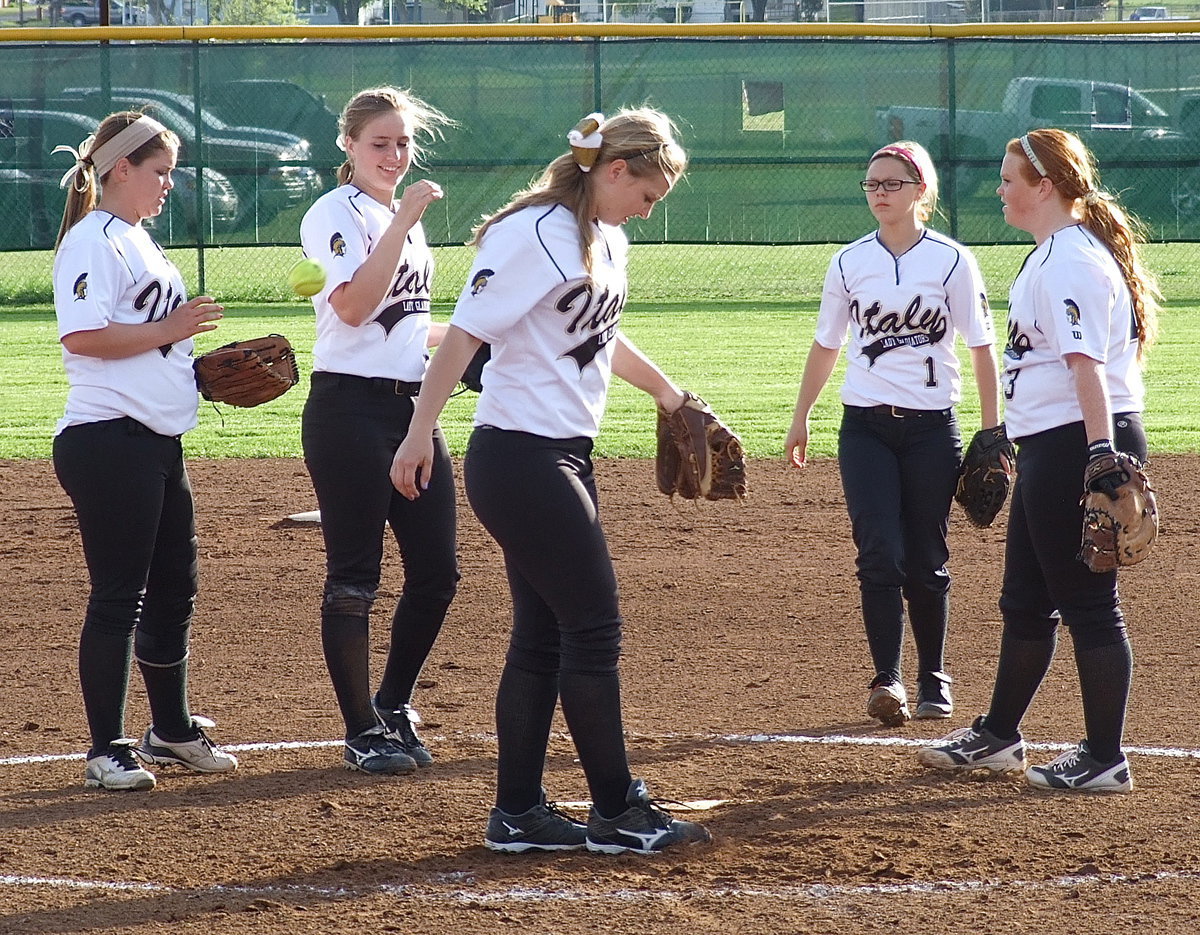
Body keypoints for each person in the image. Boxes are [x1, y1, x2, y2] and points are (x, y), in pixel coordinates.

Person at [389, 109, 712, 855]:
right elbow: (466, 335)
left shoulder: (606, 237)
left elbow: (601, 332)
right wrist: (415, 436)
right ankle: (615, 810)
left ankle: (518, 813)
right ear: (614, 170)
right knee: (593, 626)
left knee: (541, 636)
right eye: (648, 193)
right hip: (520, 457)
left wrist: (671, 395)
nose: (647, 208)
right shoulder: (532, 232)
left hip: (564, 454)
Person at [917, 129, 1159, 793]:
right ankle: (999, 735)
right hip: (1052, 440)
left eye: (1008, 179)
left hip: (1078, 441)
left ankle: (1105, 756)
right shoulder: (1051, 254)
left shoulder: (1071, 260)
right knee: (1025, 598)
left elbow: (1088, 366)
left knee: (1088, 602)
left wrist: (1101, 453)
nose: (998, 189)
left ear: (1043, 187)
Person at [51, 111, 239, 791]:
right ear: (120, 169)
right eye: (159, 171)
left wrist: (194, 367)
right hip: (108, 442)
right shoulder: (93, 240)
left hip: (157, 442)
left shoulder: (138, 239)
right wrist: (173, 326)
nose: (168, 184)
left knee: (174, 590)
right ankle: (107, 748)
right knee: (119, 597)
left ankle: (172, 731)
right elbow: (84, 336)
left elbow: (149, 341)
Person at [784, 141, 1001, 728]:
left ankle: (934, 676)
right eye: (872, 184)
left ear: (920, 191)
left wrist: (992, 430)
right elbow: (828, 342)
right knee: (879, 551)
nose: (879, 192)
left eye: (892, 183)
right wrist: (802, 414)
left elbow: (982, 349)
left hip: (933, 429)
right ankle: (888, 679)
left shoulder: (952, 261)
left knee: (927, 556)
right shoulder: (849, 262)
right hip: (865, 429)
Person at [298, 87, 460, 775]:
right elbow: (359, 307)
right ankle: (361, 728)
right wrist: (404, 220)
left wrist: (473, 344)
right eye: (379, 144)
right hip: (347, 412)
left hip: (410, 409)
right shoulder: (333, 213)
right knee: (355, 577)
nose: (394, 156)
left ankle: (392, 702)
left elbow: (407, 322)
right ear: (349, 146)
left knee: (437, 573)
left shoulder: (399, 216)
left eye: (402, 144)